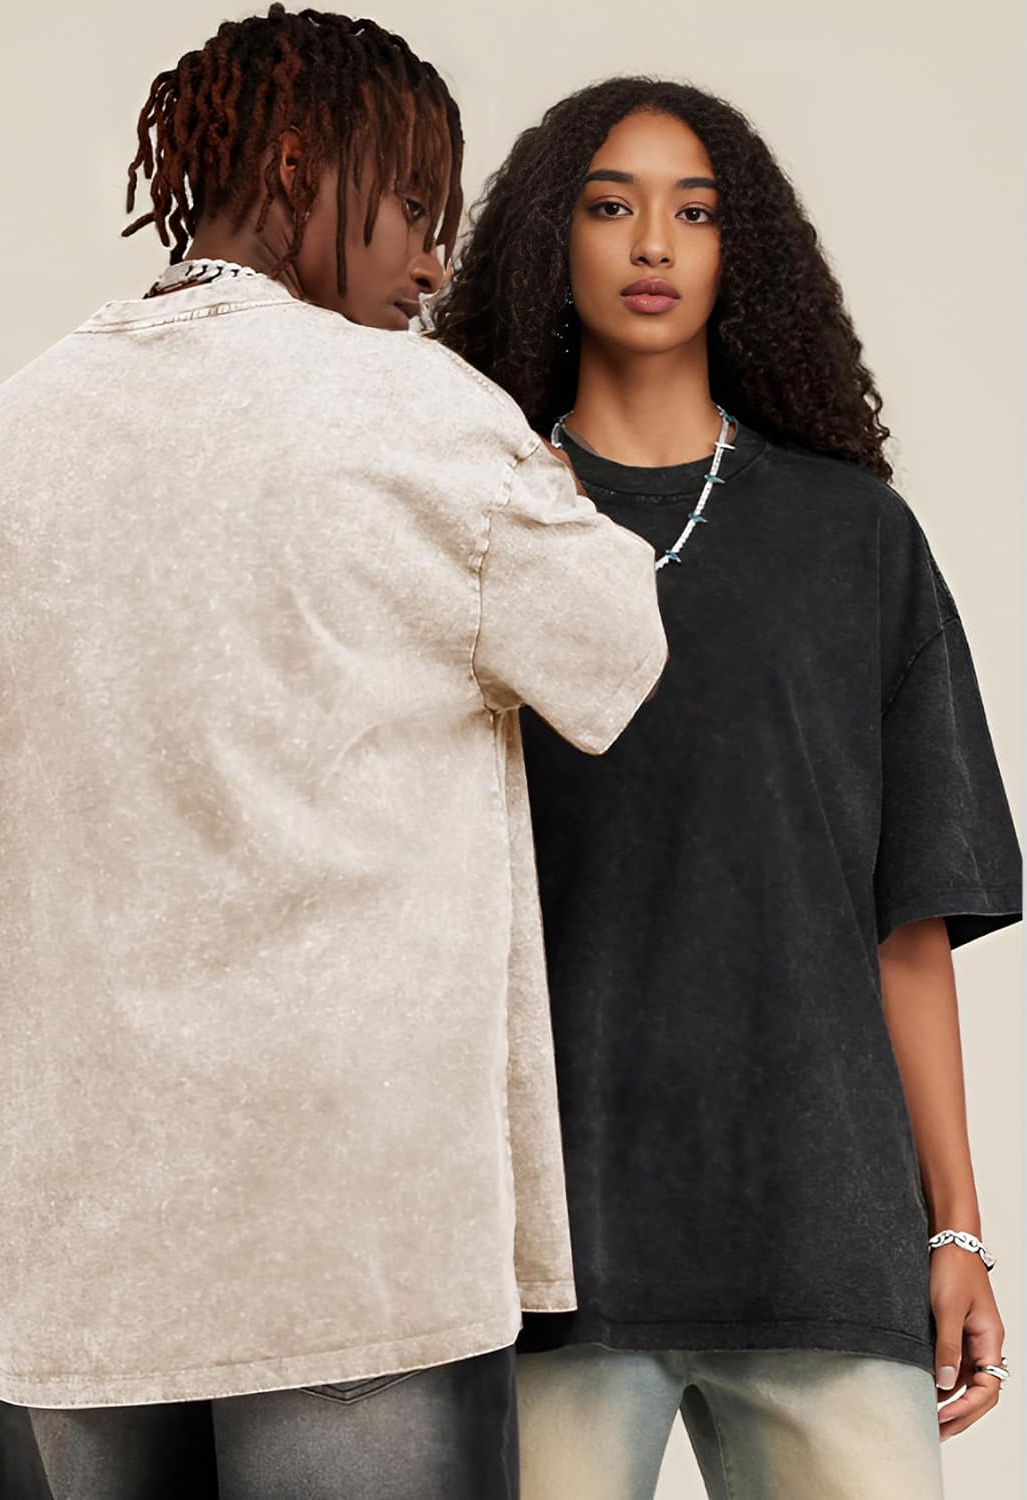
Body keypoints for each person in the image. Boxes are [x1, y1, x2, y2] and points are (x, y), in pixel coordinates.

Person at [0, 17, 667, 1500]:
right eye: (414, 207)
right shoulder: (420, 414)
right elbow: (612, 655)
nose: (433, 261)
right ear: (299, 167)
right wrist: (552, 483)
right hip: (350, 1240)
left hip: (69, 1255)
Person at [434, 76, 1021, 1500]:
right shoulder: (474, 524)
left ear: (738, 249)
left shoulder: (854, 540)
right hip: (551, 1258)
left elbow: (907, 923)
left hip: (821, 1237)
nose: (653, 242)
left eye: (693, 212)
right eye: (610, 205)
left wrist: (954, 1230)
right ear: (549, 238)